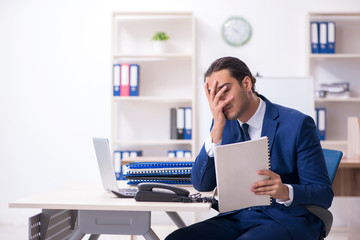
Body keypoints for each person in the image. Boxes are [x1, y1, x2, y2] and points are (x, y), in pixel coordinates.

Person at [165, 56, 333, 240]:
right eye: (213, 94)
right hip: (238, 217)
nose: (219, 101)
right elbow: (201, 184)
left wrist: (285, 191)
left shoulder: (298, 124)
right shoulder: (222, 124)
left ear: (246, 83)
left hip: (287, 218)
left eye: (224, 90)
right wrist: (216, 130)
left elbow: (323, 193)